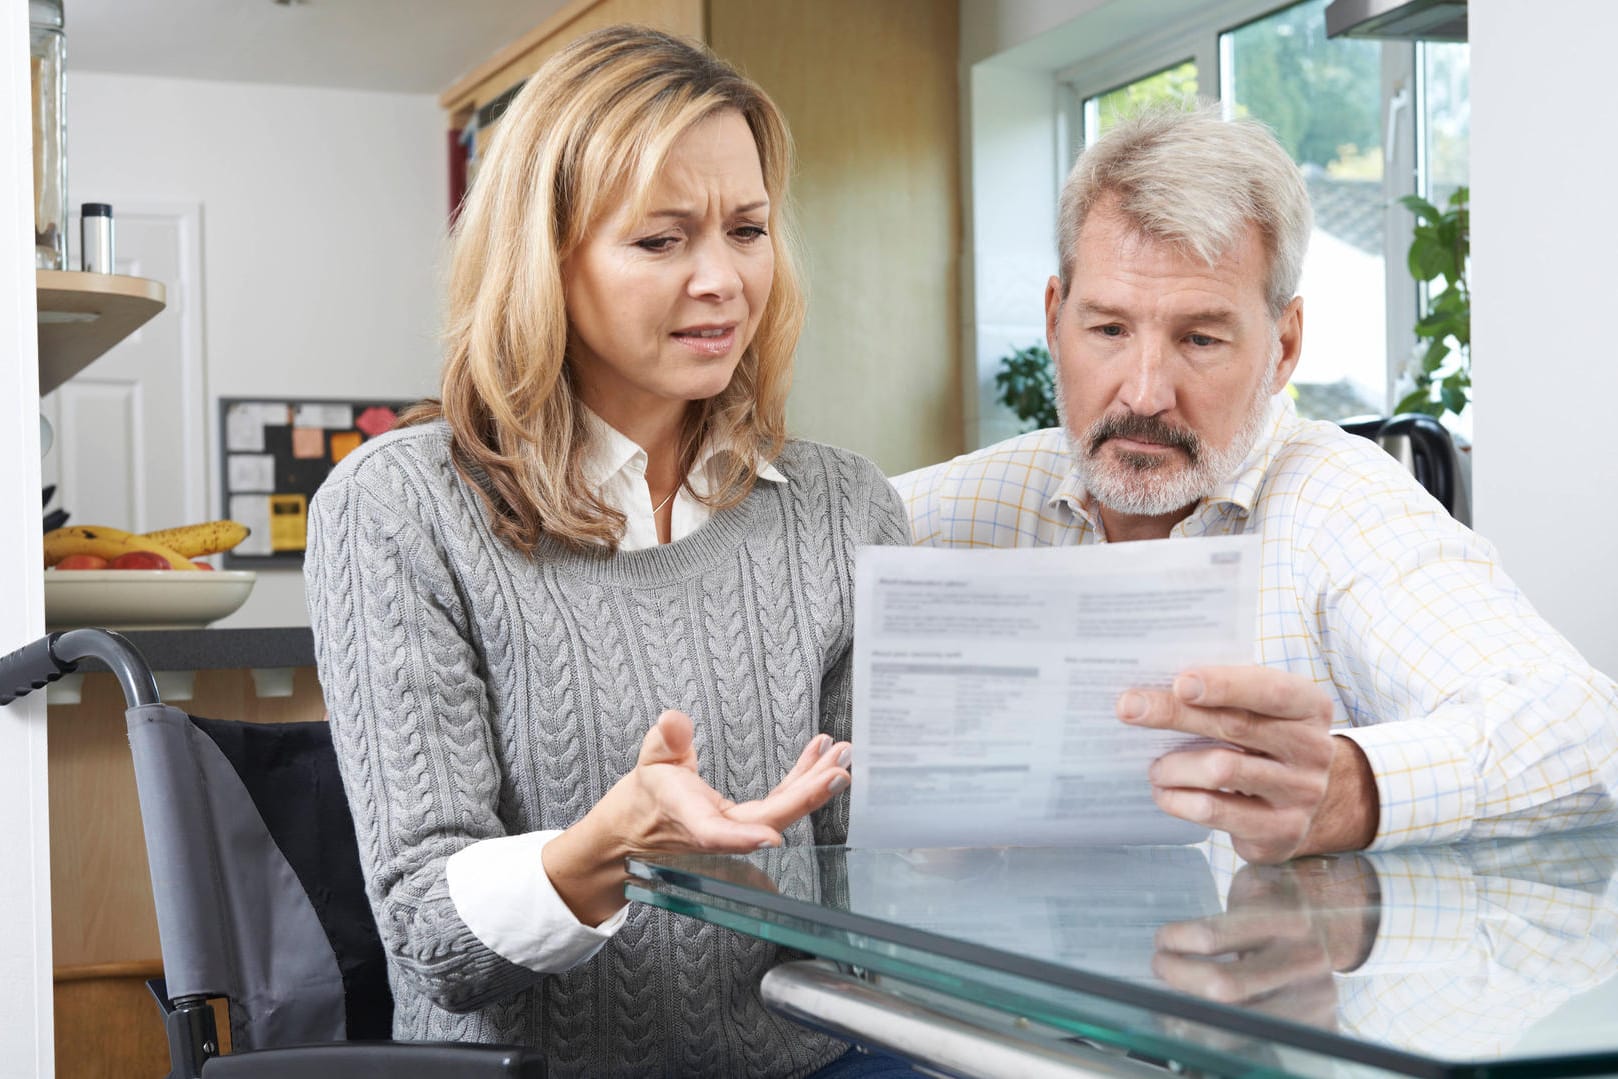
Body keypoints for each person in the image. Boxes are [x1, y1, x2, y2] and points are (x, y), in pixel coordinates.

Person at [304, 26, 914, 1078]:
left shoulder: (844, 504)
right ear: (546, 259)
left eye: (748, 228)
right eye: (661, 239)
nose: (723, 278)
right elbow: (429, 932)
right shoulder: (399, 505)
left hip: (814, 1060)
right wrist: (612, 845)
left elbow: (882, 882)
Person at [897, 106, 1618, 865]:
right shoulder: (964, 506)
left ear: (1284, 347)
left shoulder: (1339, 504)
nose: (1144, 393)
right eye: (1108, 330)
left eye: (1200, 339)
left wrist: (1354, 787)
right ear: (1053, 319)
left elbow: (1585, 729)